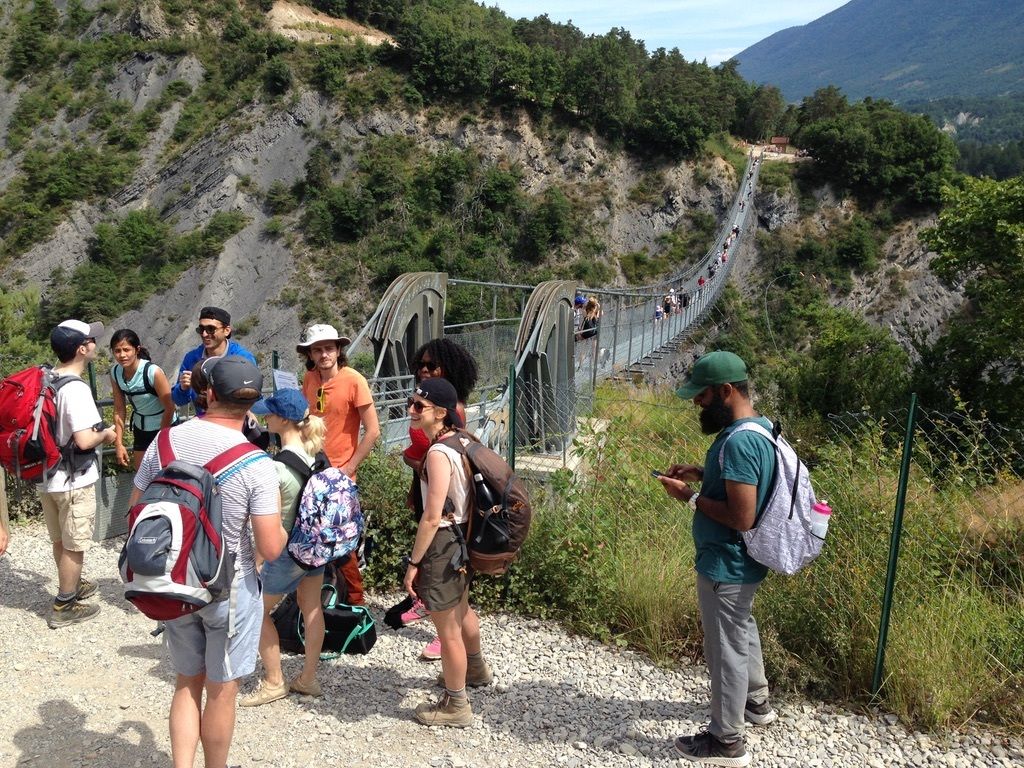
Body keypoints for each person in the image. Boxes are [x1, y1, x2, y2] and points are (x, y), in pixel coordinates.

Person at [130, 356, 285, 768]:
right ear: (250, 405)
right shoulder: (257, 463)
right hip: (228, 588)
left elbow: (136, 506)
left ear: (210, 393)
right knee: (221, 690)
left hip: (175, 579)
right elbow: (271, 548)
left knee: (187, 682)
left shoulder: (164, 442)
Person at [657, 351, 778, 767]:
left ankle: (726, 740)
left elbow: (741, 515)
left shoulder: (739, 442)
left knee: (725, 646)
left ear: (726, 391)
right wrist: (701, 473)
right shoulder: (760, 428)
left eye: (702, 395)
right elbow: (744, 484)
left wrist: (690, 497)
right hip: (744, 564)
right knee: (741, 625)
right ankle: (756, 702)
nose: (697, 403)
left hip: (726, 562)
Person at [403, 378, 491, 728]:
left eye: (418, 406)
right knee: (462, 608)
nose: (411, 410)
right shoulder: (464, 439)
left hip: (444, 541)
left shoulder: (439, 453)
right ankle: (476, 668)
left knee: (447, 629)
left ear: (440, 413)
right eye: (411, 403)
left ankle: (456, 705)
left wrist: (414, 563)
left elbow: (431, 515)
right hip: (465, 537)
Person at [240, 389, 329, 707]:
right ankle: (308, 678)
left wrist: (259, 560)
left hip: (287, 551)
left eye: (270, 413)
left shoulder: (276, 467)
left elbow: (273, 524)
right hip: (315, 546)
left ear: (283, 420)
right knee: (312, 607)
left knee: (255, 611)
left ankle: (274, 681)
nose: (265, 417)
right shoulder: (318, 455)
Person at [402, 339, 479, 661]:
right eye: (421, 363)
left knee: (443, 568)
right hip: (428, 485)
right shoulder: (427, 403)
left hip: (444, 501)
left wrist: (414, 461)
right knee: (439, 566)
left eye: (432, 365)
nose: (424, 369)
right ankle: (473, 663)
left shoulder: (449, 410)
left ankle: (445, 635)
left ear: (449, 368)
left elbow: (446, 454)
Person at [39, 320, 118, 629]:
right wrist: (107, 434)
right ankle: (64, 605)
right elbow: (85, 440)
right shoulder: (76, 388)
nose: (95, 344)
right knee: (74, 543)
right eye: (91, 340)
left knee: (61, 537)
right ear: (82, 349)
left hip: (47, 476)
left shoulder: (47, 378)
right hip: (73, 478)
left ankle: (71, 582)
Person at [298, 323, 380, 605]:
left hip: (340, 475)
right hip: (312, 470)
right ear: (310, 354)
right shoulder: (310, 378)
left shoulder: (354, 380)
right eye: (318, 349)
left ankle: (355, 603)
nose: (324, 354)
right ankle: (320, 598)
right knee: (310, 534)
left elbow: (373, 430)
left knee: (341, 539)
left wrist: (349, 468)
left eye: (329, 348)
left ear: (338, 350)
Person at [109, 329, 175, 469]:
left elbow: (169, 407)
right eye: (117, 351)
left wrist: (161, 438)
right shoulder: (115, 373)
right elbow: (119, 409)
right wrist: (119, 444)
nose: (122, 355)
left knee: (167, 472)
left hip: (165, 426)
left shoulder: (153, 372)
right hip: (141, 428)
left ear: (137, 350)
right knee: (141, 474)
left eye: (127, 350)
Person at [171, 306, 257, 412]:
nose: (204, 334)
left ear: (226, 331)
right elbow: (179, 400)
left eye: (211, 329)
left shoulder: (243, 358)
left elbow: (252, 398)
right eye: (201, 329)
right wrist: (183, 388)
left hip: (235, 419)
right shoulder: (191, 358)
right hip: (204, 419)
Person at [575, 297, 601, 370]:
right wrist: (596, 304)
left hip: (586, 332)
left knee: (583, 350)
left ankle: (580, 366)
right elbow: (601, 310)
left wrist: (587, 304)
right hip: (594, 332)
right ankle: (594, 366)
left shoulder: (585, 312)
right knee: (594, 350)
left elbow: (583, 307)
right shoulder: (596, 313)